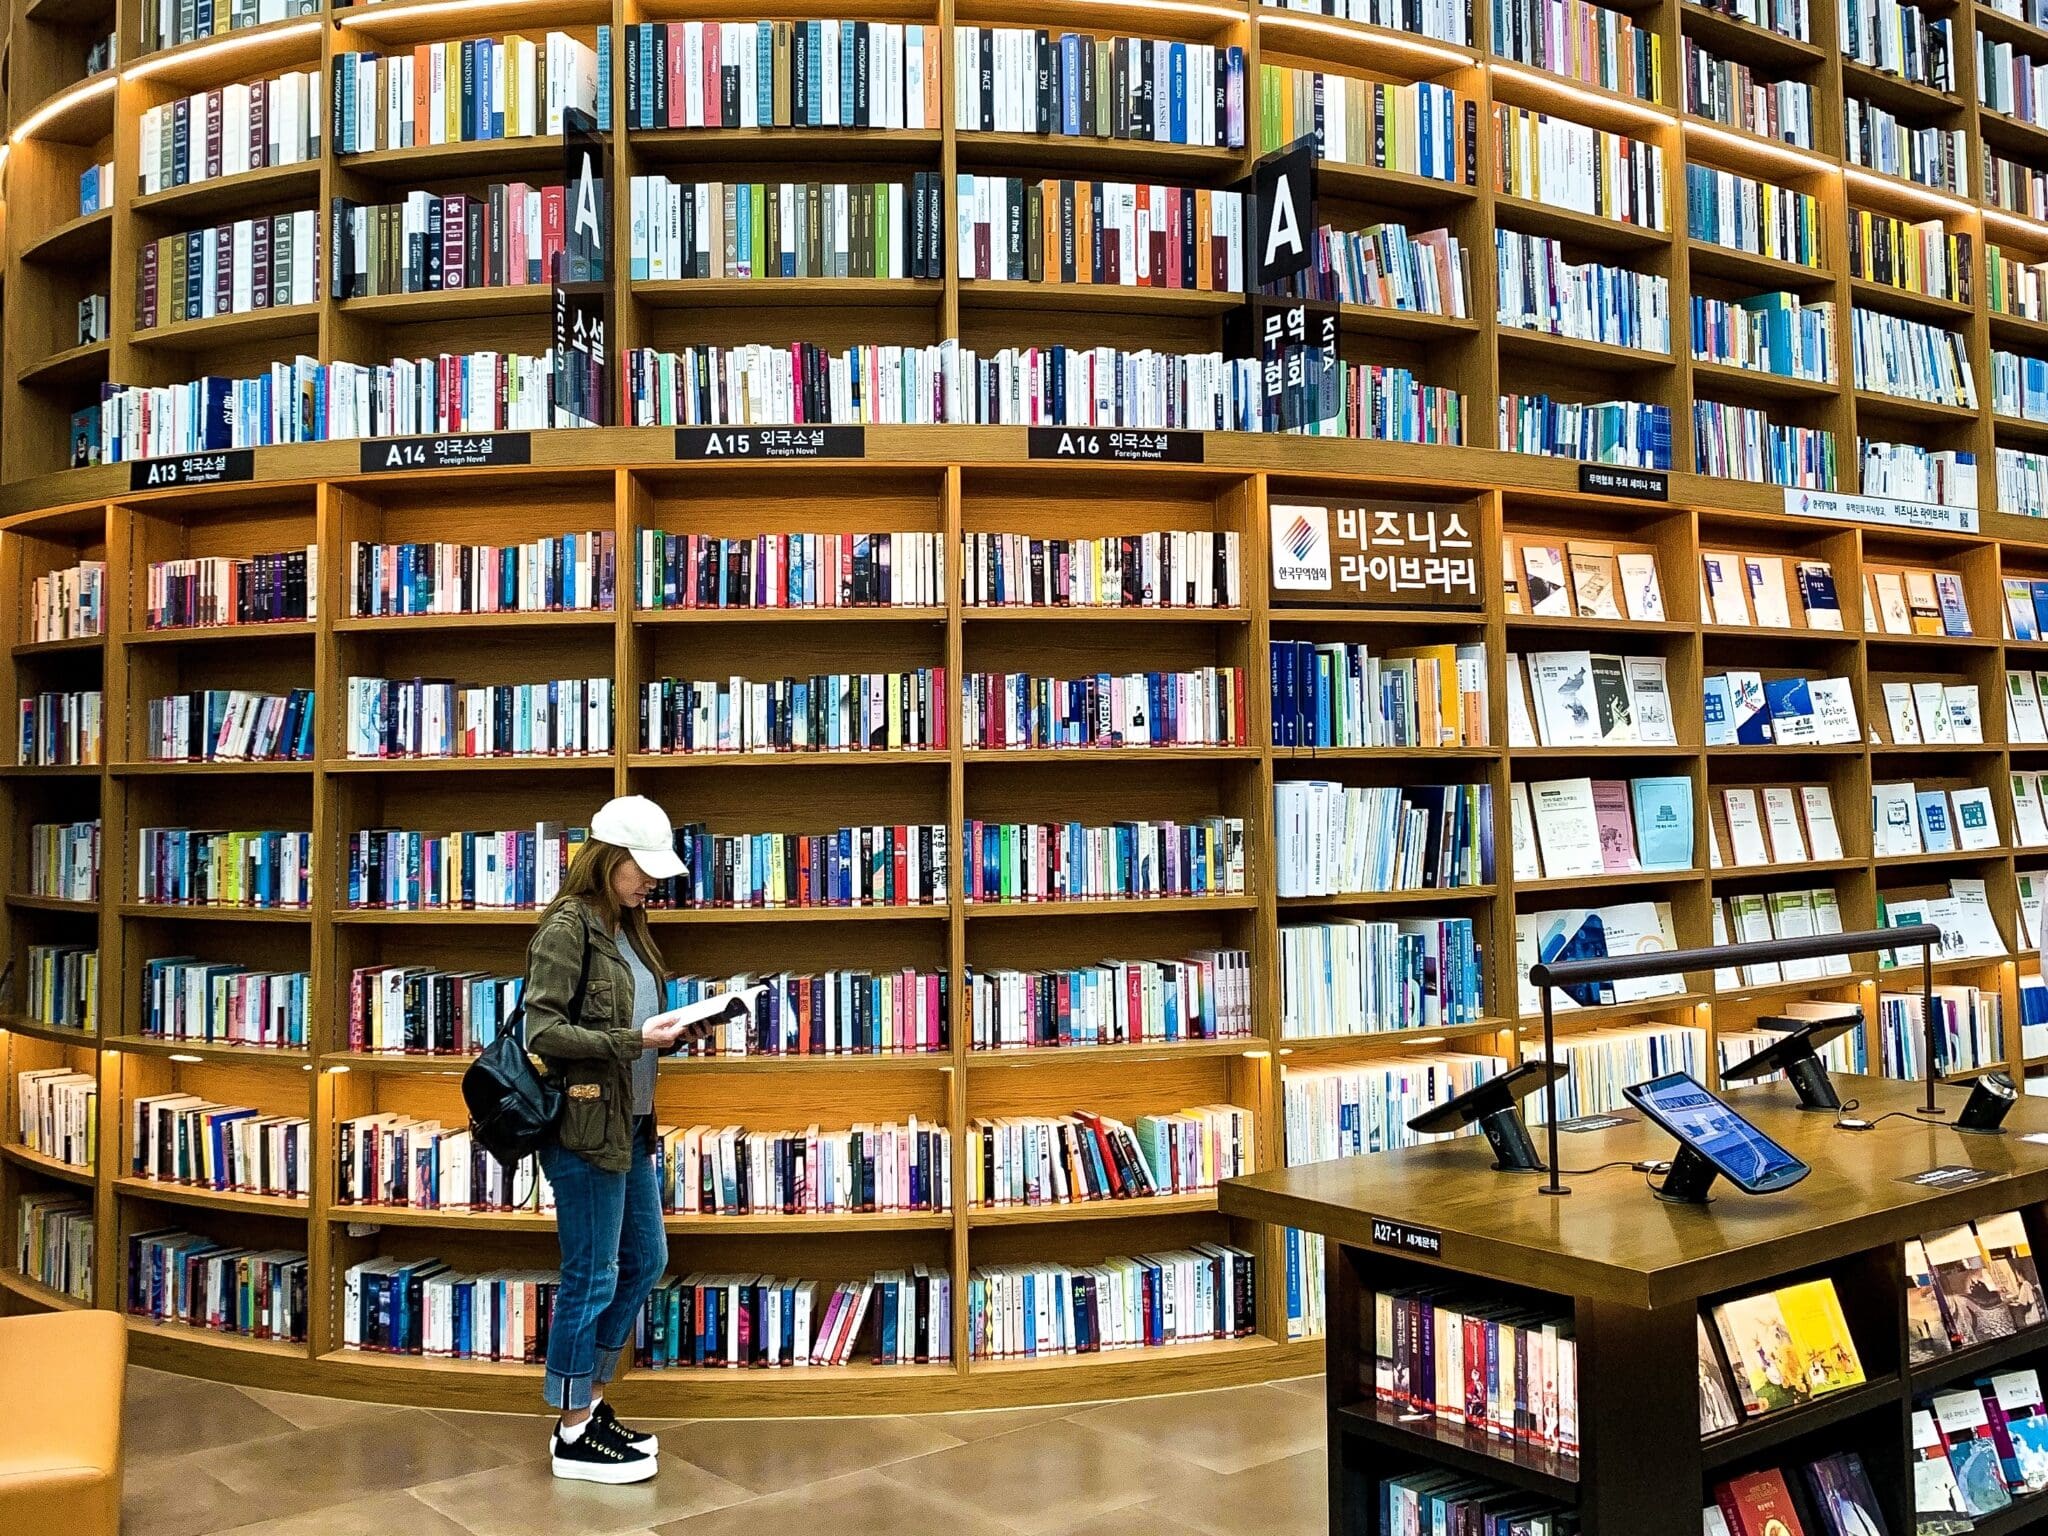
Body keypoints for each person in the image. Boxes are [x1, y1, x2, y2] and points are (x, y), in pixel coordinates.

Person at [525, 795, 693, 1483]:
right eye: (641, 870)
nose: (652, 882)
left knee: (645, 1261)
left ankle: (589, 1403)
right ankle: (569, 1428)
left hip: (633, 1126)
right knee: (589, 1276)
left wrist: (671, 1035)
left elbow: (637, 1022)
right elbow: (543, 1032)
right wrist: (632, 1041)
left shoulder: (629, 927)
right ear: (608, 861)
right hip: (585, 1129)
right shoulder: (567, 928)